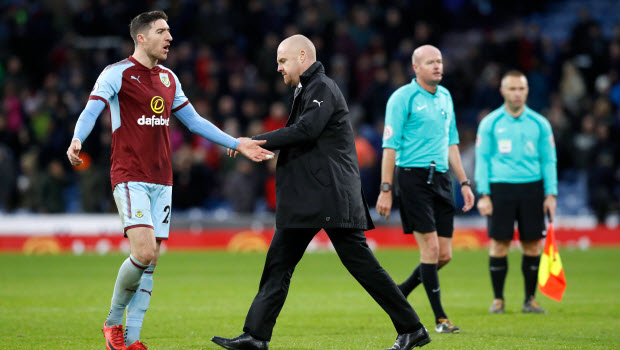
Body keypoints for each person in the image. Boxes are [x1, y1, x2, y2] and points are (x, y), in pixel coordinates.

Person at [66, 11, 273, 350]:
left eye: (170, 31)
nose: (169, 38)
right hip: (130, 174)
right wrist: (78, 139)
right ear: (141, 38)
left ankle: (131, 340)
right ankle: (112, 323)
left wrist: (236, 143)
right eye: (162, 31)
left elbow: (194, 121)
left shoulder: (168, 78)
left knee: (152, 259)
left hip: (163, 179)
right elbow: (92, 109)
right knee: (143, 252)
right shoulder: (116, 74)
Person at [211, 35, 431, 350]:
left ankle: (412, 328)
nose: (278, 68)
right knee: (279, 264)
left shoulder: (322, 88)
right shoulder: (308, 89)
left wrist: (254, 141)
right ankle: (256, 336)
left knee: (360, 264)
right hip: (310, 199)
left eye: (282, 60)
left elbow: (306, 131)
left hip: (329, 196)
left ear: (303, 56)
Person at [376, 45, 475, 334]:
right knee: (430, 248)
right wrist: (386, 188)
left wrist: (465, 183)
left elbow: (452, 143)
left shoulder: (445, 97)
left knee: (444, 255)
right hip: (413, 178)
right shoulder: (401, 98)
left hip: (442, 178)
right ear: (416, 67)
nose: (437, 66)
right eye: (430, 62)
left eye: (440, 61)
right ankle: (440, 319)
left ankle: (400, 292)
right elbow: (389, 146)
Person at [474, 70, 557, 314]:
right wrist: (484, 194)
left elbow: (549, 160)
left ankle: (530, 299)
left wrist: (551, 194)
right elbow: (483, 159)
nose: (517, 93)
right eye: (512, 89)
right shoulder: (490, 123)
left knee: (532, 245)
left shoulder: (540, 123)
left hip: (532, 187)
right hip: (501, 188)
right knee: (500, 244)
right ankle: (498, 299)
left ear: (527, 90)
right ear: (503, 91)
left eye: (521, 88)